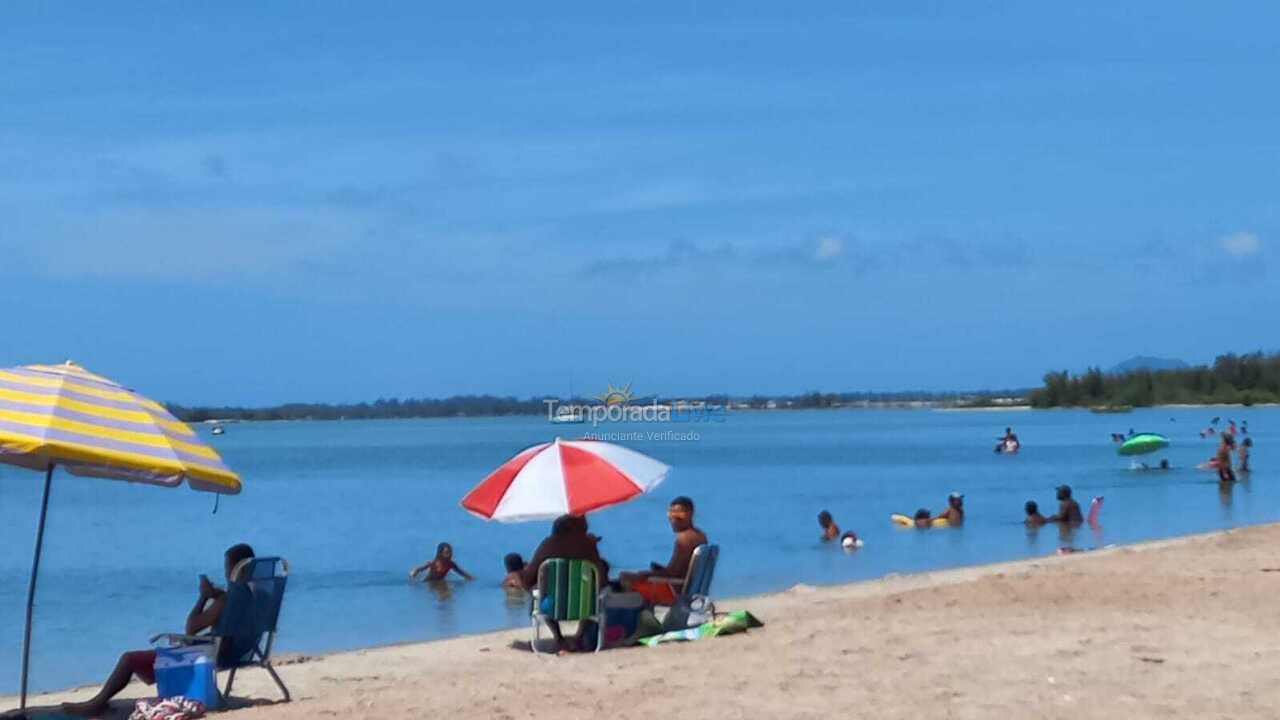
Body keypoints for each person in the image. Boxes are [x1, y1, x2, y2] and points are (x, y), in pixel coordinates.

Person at [63, 544, 256, 717]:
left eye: (227, 567)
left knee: (129, 659)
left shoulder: (226, 601)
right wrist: (218, 595)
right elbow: (228, 615)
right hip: (237, 651)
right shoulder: (255, 597)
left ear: (235, 569)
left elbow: (192, 627)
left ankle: (97, 704)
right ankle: (97, 702)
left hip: (206, 655)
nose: (225, 572)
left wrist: (204, 598)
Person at [523, 515, 609, 653]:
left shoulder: (548, 546)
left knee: (538, 596)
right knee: (594, 594)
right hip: (585, 605)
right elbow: (602, 580)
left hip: (552, 606)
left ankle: (558, 637)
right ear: (577, 529)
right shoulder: (587, 546)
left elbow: (527, 581)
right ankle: (579, 636)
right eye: (584, 526)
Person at [621, 496, 708, 606]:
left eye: (679, 515)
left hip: (675, 590)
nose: (674, 519)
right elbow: (681, 569)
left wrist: (645, 575)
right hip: (687, 587)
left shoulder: (684, 539)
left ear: (690, 514)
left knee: (625, 578)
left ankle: (636, 619)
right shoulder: (700, 535)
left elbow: (672, 573)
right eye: (671, 514)